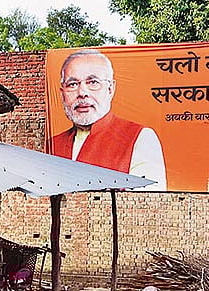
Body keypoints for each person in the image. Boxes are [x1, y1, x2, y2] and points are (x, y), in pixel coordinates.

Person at [50, 49, 167, 190]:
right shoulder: (51, 145)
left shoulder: (140, 138)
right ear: (62, 93)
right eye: (72, 84)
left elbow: (149, 200)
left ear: (110, 89)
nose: (82, 93)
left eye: (93, 82)